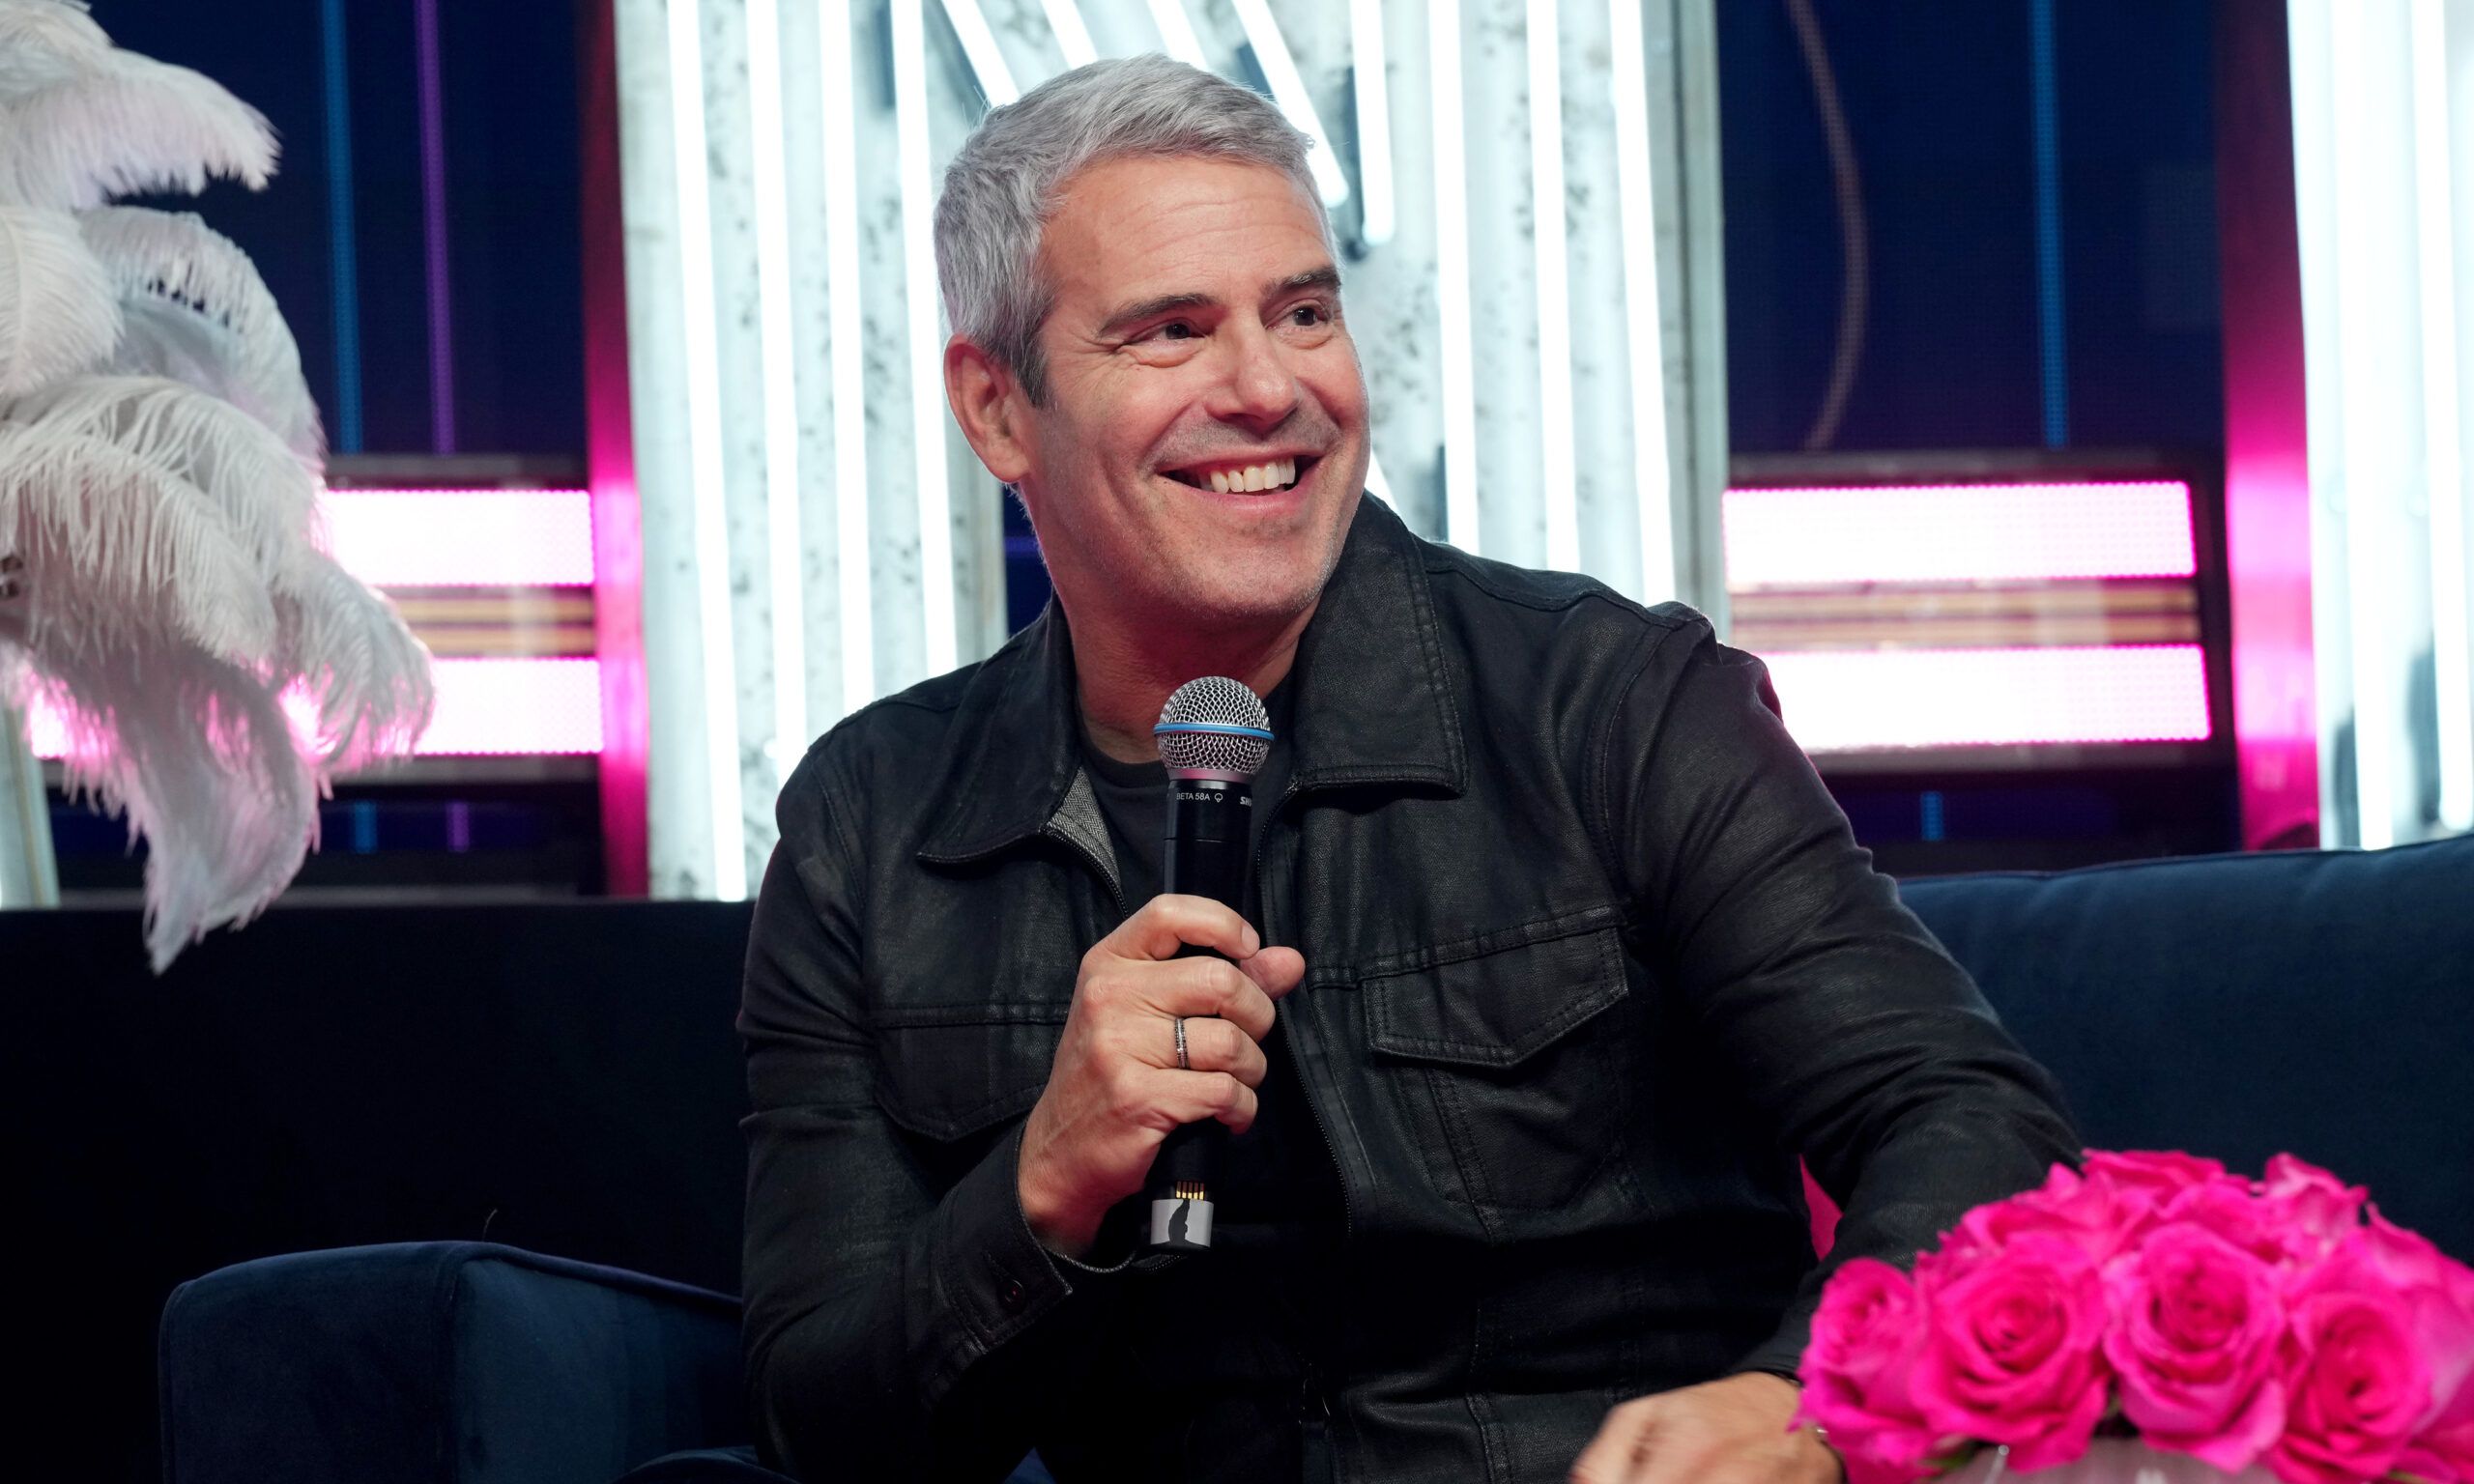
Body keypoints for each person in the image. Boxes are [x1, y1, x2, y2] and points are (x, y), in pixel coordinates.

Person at [737, 54, 2079, 1484]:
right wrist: (1045, 1183)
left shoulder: (1608, 701)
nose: (1268, 389)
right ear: (1000, 409)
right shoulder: (869, 825)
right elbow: (819, 1417)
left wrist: (1803, 1405)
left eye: (1304, 311)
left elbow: (1979, 1129)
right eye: (1171, 332)